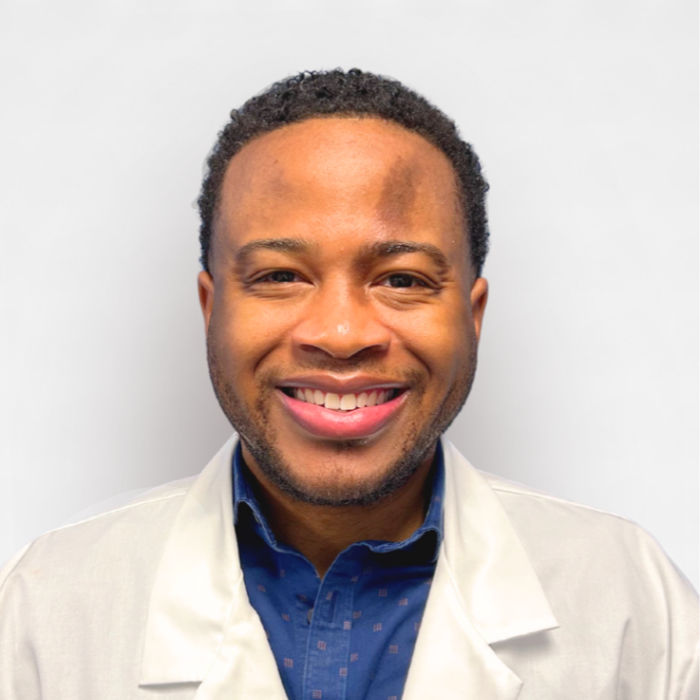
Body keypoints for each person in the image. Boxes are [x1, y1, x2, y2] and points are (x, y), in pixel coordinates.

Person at [0, 68, 698, 700]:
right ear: (212, 310)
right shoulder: (42, 607)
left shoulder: (633, 602)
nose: (339, 334)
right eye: (280, 276)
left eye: (402, 279)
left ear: (473, 316)